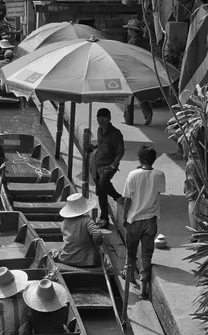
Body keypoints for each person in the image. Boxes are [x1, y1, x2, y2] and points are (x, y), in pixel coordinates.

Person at [122, 145, 166, 299]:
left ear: (139, 159)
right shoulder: (160, 175)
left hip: (134, 219)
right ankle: (143, 288)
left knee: (131, 252)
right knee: (146, 255)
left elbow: (128, 199)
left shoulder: (132, 174)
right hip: (150, 220)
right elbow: (158, 191)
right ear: (154, 159)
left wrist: (124, 217)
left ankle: (130, 277)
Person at [91, 107, 125, 229]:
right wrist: (94, 147)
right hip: (98, 163)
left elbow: (120, 152)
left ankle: (117, 197)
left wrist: (112, 166)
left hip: (109, 164)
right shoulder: (99, 130)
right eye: (99, 118)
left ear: (109, 118)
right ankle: (104, 217)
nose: (101, 121)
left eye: (104, 119)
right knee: (101, 192)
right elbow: (101, 145)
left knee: (103, 183)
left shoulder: (116, 134)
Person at [52, 193, 103, 267]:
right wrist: (97, 244)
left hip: (66, 258)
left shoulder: (65, 222)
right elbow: (97, 235)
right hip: (87, 261)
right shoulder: (87, 220)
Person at [123, 19, 153, 126]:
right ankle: (147, 112)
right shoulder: (145, 41)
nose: (128, 32)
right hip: (144, 70)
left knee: (128, 96)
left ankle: (128, 119)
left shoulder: (132, 43)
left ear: (133, 31)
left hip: (132, 71)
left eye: (129, 30)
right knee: (140, 93)